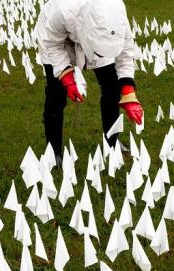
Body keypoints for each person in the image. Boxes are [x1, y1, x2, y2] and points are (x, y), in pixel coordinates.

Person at [35, 0, 143, 165]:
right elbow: (53, 45)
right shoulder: (61, 11)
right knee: (55, 92)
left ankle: (112, 141)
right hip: (56, 39)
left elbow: (126, 53)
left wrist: (129, 92)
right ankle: (53, 151)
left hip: (102, 37)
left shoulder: (116, 15)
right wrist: (67, 79)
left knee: (112, 87)